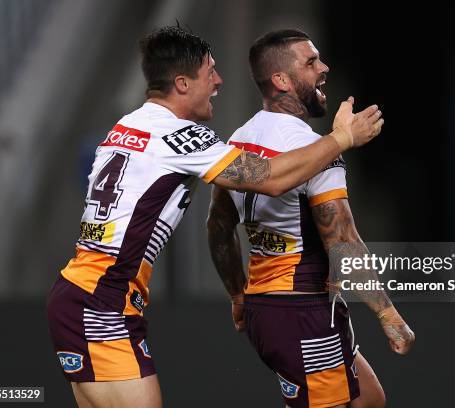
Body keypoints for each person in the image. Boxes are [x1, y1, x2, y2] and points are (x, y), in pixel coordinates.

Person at [46, 25, 382, 408]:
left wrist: (237, 292)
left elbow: (218, 223)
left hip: (82, 292)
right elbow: (271, 179)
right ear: (183, 83)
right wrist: (341, 139)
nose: (219, 80)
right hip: (103, 303)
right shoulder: (180, 136)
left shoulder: (126, 127)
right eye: (211, 72)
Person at [207, 29, 415, 408]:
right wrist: (387, 312)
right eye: (311, 62)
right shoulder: (313, 149)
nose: (324, 68)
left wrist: (238, 294)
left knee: (368, 398)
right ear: (281, 80)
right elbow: (342, 241)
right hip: (300, 311)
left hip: (273, 307)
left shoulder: (238, 140)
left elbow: (218, 228)